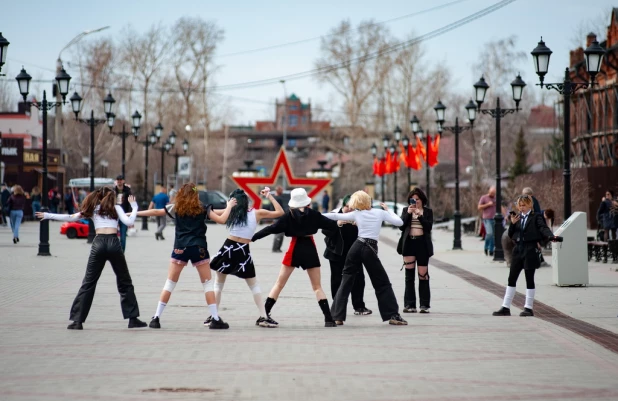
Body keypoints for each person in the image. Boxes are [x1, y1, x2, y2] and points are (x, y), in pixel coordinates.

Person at [36, 187, 147, 330]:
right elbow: (128, 222)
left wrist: (47, 215)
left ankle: (77, 321)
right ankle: (133, 319)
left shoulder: (93, 208)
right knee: (125, 281)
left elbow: (71, 217)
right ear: (110, 196)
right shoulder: (116, 208)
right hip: (114, 243)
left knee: (88, 282)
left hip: (98, 243)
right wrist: (134, 206)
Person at [134, 183, 236, 330]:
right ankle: (215, 318)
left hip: (180, 247)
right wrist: (230, 206)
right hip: (198, 248)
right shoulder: (202, 208)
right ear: (196, 195)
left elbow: (156, 212)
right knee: (207, 284)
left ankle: (156, 318)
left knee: (170, 283)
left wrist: (134, 213)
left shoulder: (176, 208)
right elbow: (222, 219)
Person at [252, 188, 339, 327]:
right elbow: (332, 226)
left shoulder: (288, 216)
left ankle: (264, 315)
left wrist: (253, 238)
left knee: (279, 284)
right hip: (310, 248)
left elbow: (270, 229)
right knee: (317, 287)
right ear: (306, 201)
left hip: (295, 248)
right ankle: (328, 319)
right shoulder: (315, 215)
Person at [323, 191, 408, 326]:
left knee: (345, 281)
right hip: (369, 247)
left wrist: (313, 215)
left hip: (356, 247)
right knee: (382, 282)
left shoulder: (357, 214)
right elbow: (399, 222)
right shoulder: (379, 212)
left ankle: (336, 316)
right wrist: (388, 210)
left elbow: (334, 215)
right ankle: (393, 315)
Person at [204, 187, 284, 328]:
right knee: (253, 285)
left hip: (228, 248)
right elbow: (280, 212)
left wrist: (223, 206)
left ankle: (213, 316)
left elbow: (209, 212)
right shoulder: (257, 213)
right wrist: (269, 196)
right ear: (246, 201)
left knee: (218, 285)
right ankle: (263, 316)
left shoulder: (231, 212)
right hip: (243, 251)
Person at [493, 195, 561, 317]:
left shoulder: (536, 217)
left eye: (524, 205)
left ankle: (528, 308)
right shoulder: (517, 218)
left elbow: (543, 228)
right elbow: (510, 233)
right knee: (511, 278)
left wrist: (551, 236)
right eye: (520, 205)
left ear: (530, 205)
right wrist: (513, 224)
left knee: (529, 278)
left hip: (530, 249)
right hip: (518, 249)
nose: (521, 207)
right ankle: (505, 307)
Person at [322, 194, 372, 316]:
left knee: (359, 279)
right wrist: (337, 224)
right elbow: (324, 230)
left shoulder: (358, 215)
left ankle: (359, 306)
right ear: (344, 205)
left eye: (353, 207)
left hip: (355, 252)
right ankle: (337, 306)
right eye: (348, 206)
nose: (350, 209)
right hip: (336, 253)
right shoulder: (335, 214)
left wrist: (360, 225)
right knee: (337, 280)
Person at [397, 188, 434, 314]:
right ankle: (410, 304)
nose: (415, 202)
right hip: (409, 244)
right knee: (409, 275)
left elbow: (428, 228)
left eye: (417, 199)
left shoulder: (427, 212)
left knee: (423, 275)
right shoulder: (405, 210)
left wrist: (420, 215)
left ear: (422, 200)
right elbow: (401, 226)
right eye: (412, 200)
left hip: (422, 244)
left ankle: (424, 305)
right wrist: (408, 213)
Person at [114, 175, 133, 252]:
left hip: (124, 215)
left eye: (120, 180)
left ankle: (122, 252)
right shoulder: (113, 190)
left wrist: (129, 214)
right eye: (118, 180)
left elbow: (130, 203)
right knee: (113, 235)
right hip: (114, 215)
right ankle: (114, 251)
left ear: (123, 181)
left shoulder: (127, 191)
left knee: (123, 236)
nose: (119, 181)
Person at [478, 186, 496, 256]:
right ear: (489, 191)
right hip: (487, 218)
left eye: (494, 193)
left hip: (494, 218)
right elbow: (479, 207)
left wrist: (505, 215)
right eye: (491, 193)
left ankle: (491, 250)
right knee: (489, 233)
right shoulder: (484, 197)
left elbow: (501, 207)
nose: (492, 194)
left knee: (493, 235)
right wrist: (488, 204)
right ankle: (486, 247)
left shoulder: (496, 198)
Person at [271, 186, 287, 253]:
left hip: (277, 218)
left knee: (280, 234)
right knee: (279, 234)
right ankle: (275, 248)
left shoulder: (275, 198)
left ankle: (278, 248)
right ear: (278, 190)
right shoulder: (278, 199)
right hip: (278, 218)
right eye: (281, 190)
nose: (282, 191)